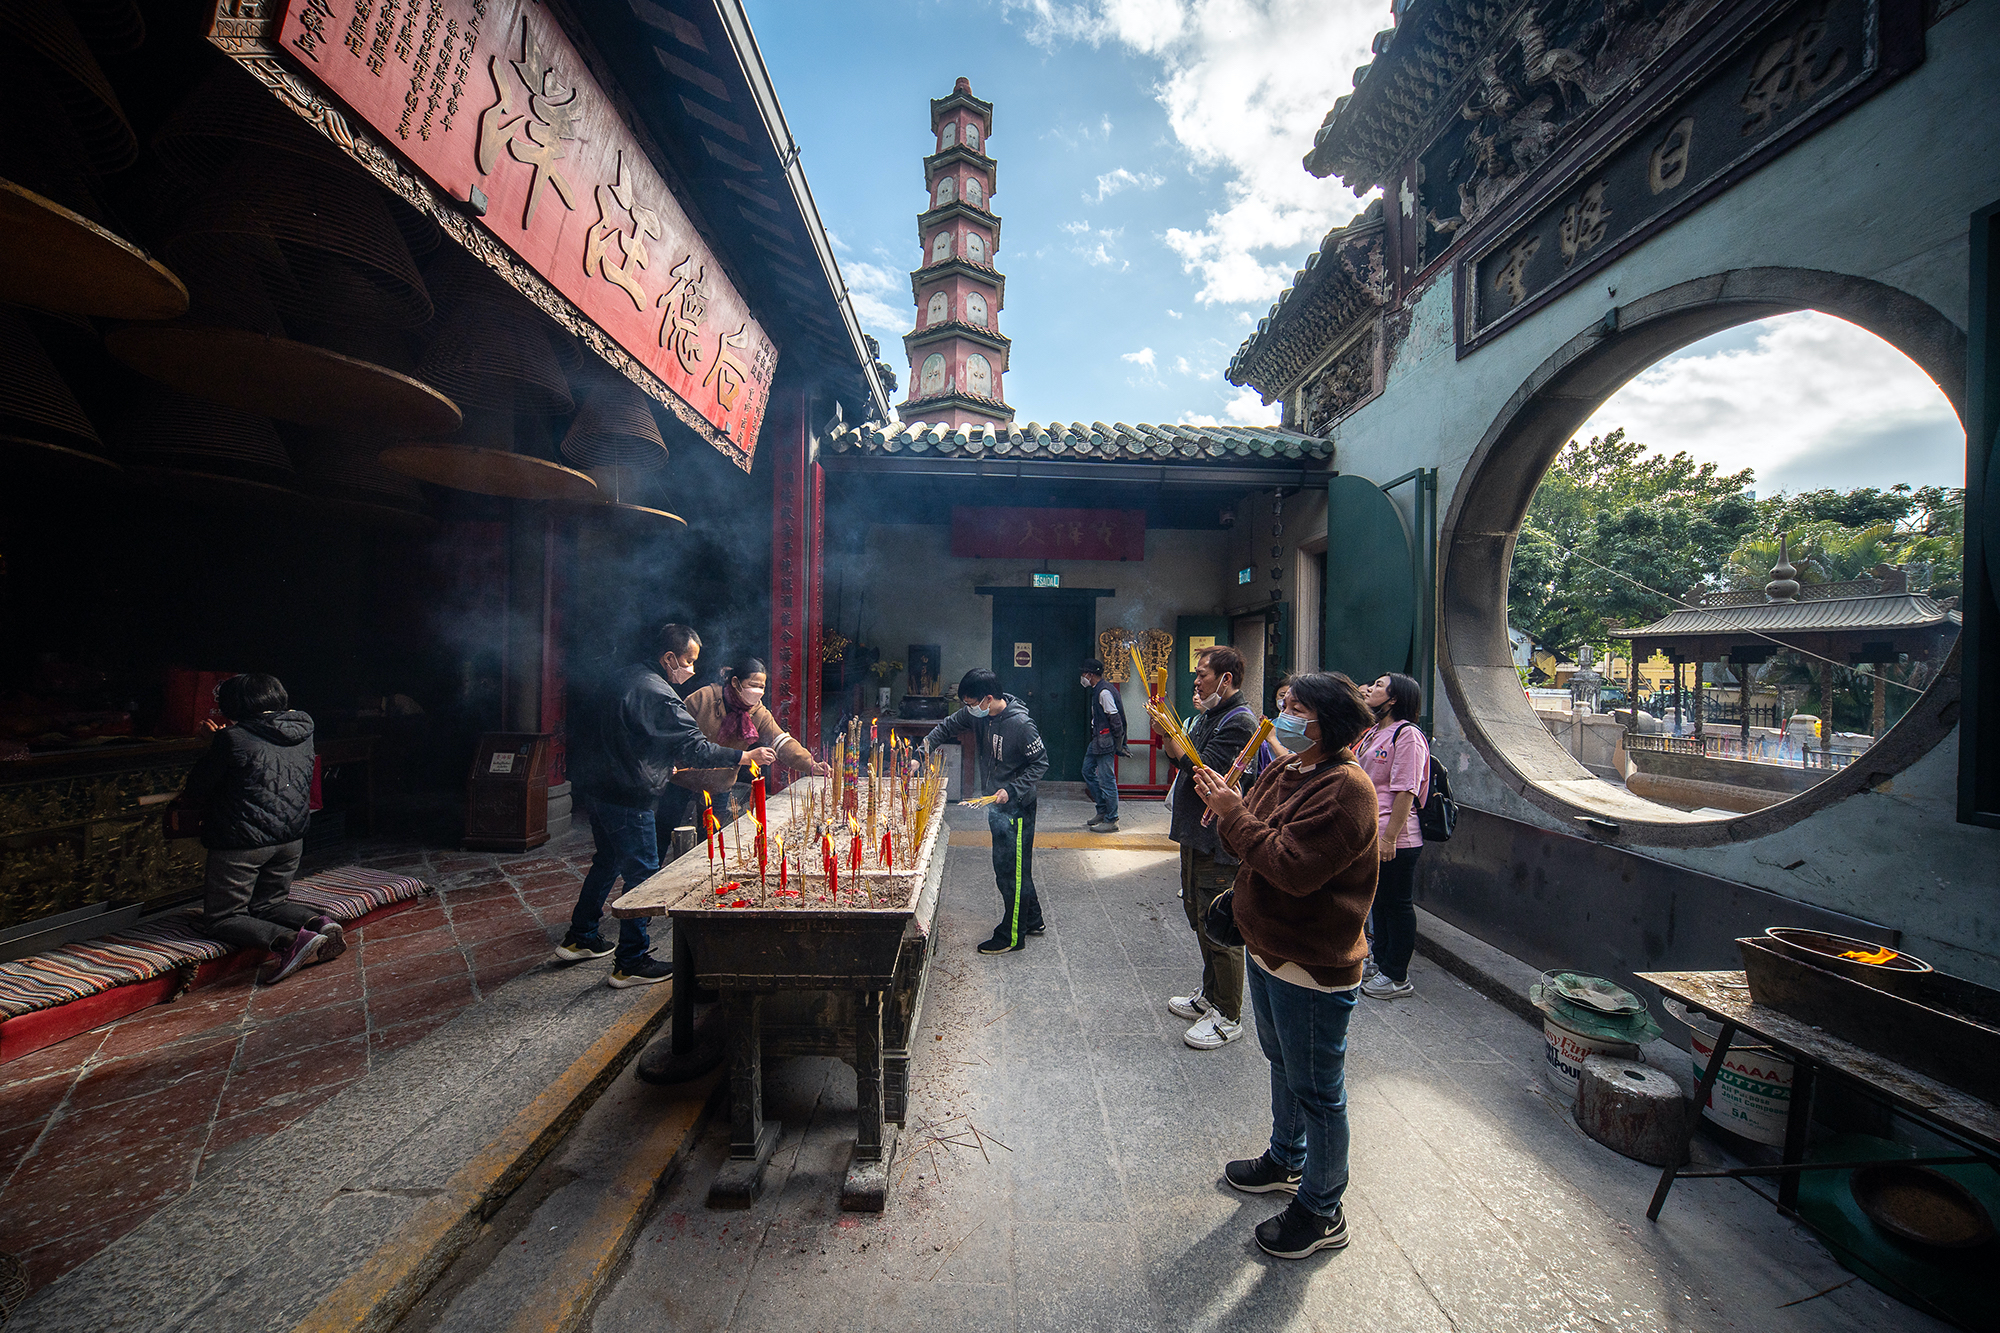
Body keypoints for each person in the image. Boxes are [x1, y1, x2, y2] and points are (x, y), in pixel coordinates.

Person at [1191, 671, 1380, 1260]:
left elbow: (1292, 865)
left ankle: (1323, 1209)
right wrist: (1230, 810)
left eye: (1295, 707)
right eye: (1283, 704)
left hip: (1312, 960)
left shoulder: (1347, 790)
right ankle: (1286, 1159)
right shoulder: (1288, 768)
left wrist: (1233, 815)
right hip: (1270, 948)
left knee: (1319, 1088)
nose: (1284, 715)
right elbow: (1258, 832)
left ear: (1327, 721)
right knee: (1282, 1062)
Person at [562, 623, 776, 986]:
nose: (691, 669)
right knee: (643, 875)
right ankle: (631, 961)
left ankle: (581, 937)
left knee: (608, 860)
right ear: (669, 658)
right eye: (689, 661)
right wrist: (743, 757)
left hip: (596, 788)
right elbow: (694, 745)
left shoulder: (622, 678)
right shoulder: (657, 692)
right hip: (629, 794)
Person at [183, 673, 340, 984]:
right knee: (270, 903)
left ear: (234, 705)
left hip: (243, 842)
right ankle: (320, 923)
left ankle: (291, 942)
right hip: (291, 838)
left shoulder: (232, 738)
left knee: (222, 918)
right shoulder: (303, 728)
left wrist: (211, 743)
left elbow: (197, 788)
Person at [1164, 645, 1257, 1050]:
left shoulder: (1239, 721)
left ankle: (1229, 1014)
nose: (1196, 681)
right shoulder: (1209, 715)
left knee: (1218, 922)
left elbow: (1207, 773)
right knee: (1198, 915)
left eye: (1203, 674)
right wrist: (1169, 732)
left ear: (1227, 678)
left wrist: (1178, 744)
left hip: (1217, 839)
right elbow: (1179, 755)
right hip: (1194, 835)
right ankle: (1210, 996)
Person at [923, 668, 1048, 954]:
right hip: (994, 801)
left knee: (1011, 871)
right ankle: (1032, 918)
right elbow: (946, 726)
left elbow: (1040, 764)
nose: (968, 709)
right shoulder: (977, 713)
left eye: (971, 703)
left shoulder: (1021, 724)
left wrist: (1012, 790)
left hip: (1017, 807)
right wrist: (922, 751)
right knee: (1010, 866)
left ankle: (1012, 935)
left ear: (988, 698)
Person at [668, 655, 829, 839]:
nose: (758, 691)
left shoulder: (757, 712)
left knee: (710, 843)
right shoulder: (704, 698)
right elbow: (673, 732)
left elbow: (782, 741)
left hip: (718, 785)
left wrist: (810, 764)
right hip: (680, 779)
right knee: (665, 834)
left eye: (762, 687)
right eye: (753, 685)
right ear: (736, 682)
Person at [1356, 673, 1429, 1001]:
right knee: (1380, 903)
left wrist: (1389, 838)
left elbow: (1406, 790)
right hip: (1372, 832)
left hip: (1397, 838)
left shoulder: (1408, 735)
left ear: (1395, 698)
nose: (1371, 689)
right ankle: (1380, 961)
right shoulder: (1374, 732)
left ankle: (1396, 974)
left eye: (1379, 686)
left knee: (1397, 904)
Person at [1079, 658, 1127, 832]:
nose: (1082, 677)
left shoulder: (1104, 692)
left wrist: (1117, 743)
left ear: (1090, 675)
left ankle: (1112, 819)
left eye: (1084, 674)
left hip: (1105, 741)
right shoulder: (1098, 689)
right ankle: (1102, 810)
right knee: (1087, 771)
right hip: (1097, 740)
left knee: (1107, 779)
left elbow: (1115, 720)